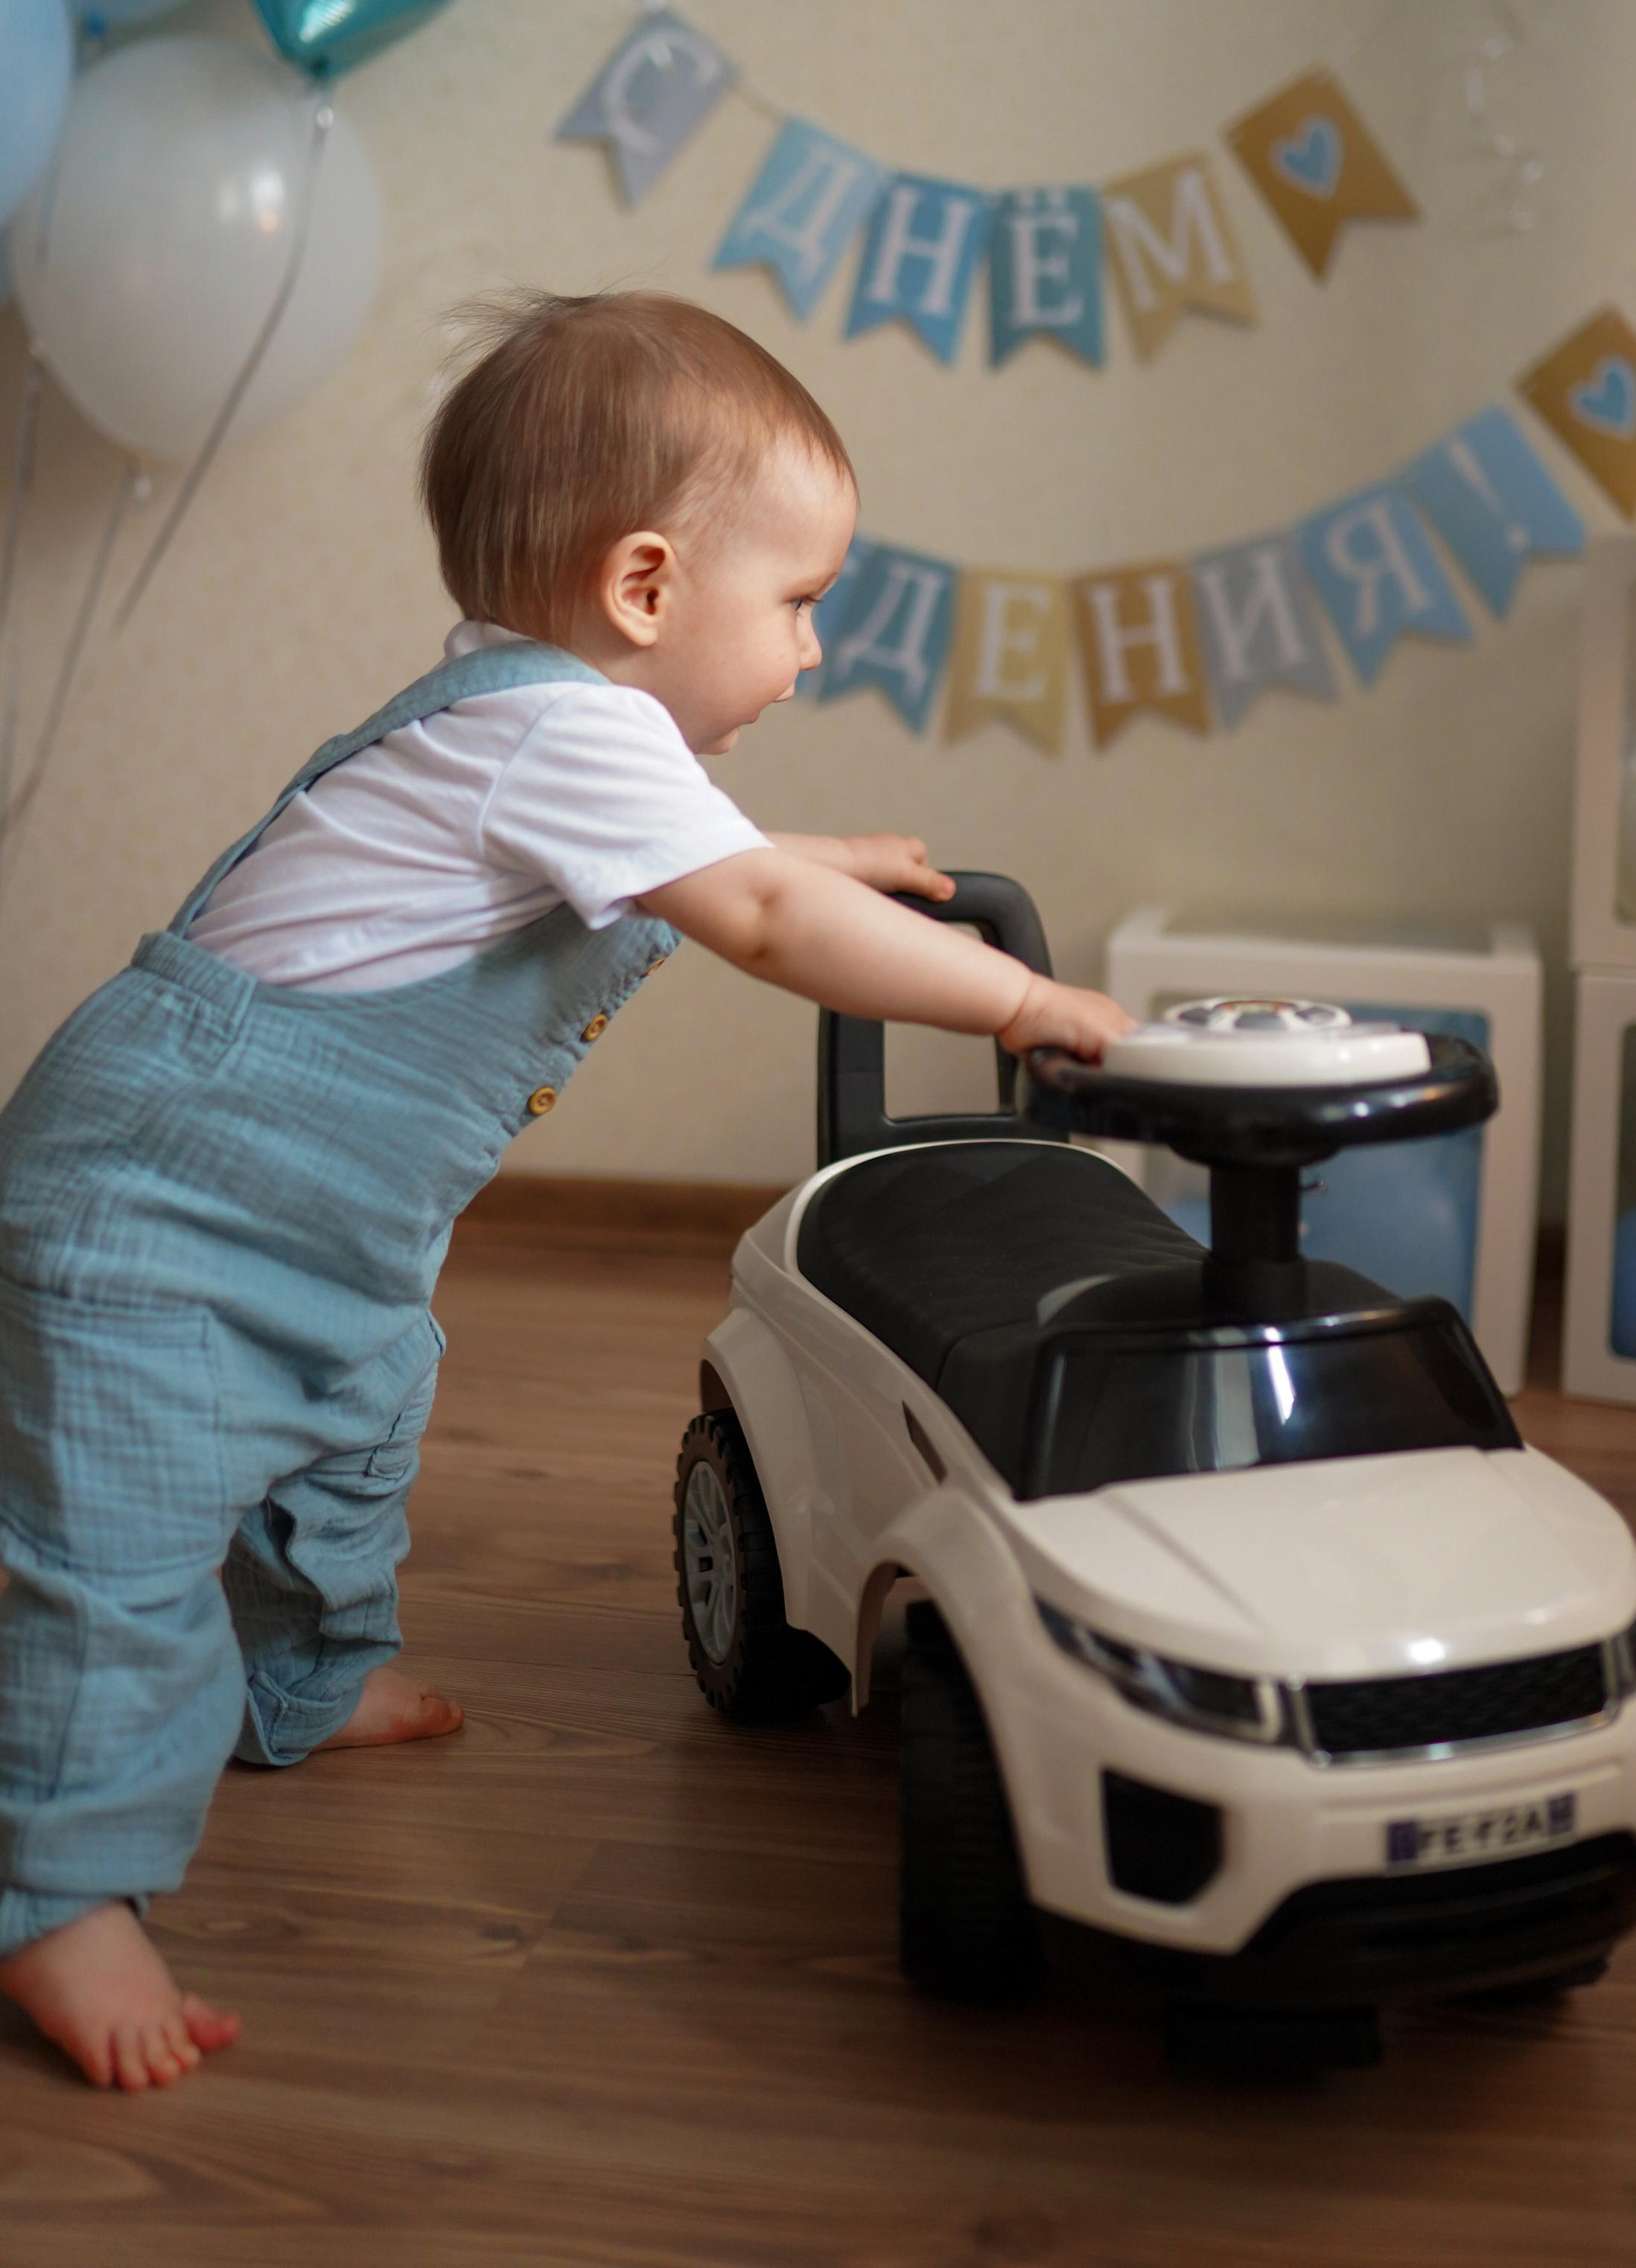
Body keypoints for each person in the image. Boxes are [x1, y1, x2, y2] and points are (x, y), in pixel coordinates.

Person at [0, 290, 1132, 2092]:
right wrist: (1018, 1001)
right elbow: (751, 916)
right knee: (119, 1548)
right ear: (645, 590)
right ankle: (62, 1891)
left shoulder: (532, 724)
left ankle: (296, 1687)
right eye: (801, 607)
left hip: (313, 1224)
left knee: (351, 1424)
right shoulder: (558, 735)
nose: (811, 653)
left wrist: (817, 850)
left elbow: (702, 867)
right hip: (149, 1207)